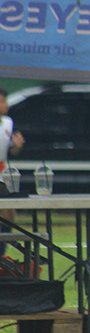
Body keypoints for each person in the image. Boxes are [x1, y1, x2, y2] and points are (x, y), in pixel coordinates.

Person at [0, 88, 25, 255]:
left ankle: (2, 254)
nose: (5, 105)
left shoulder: (8, 122)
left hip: (3, 173)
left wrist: (17, 146)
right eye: (2, 101)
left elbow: (10, 151)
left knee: (9, 212)